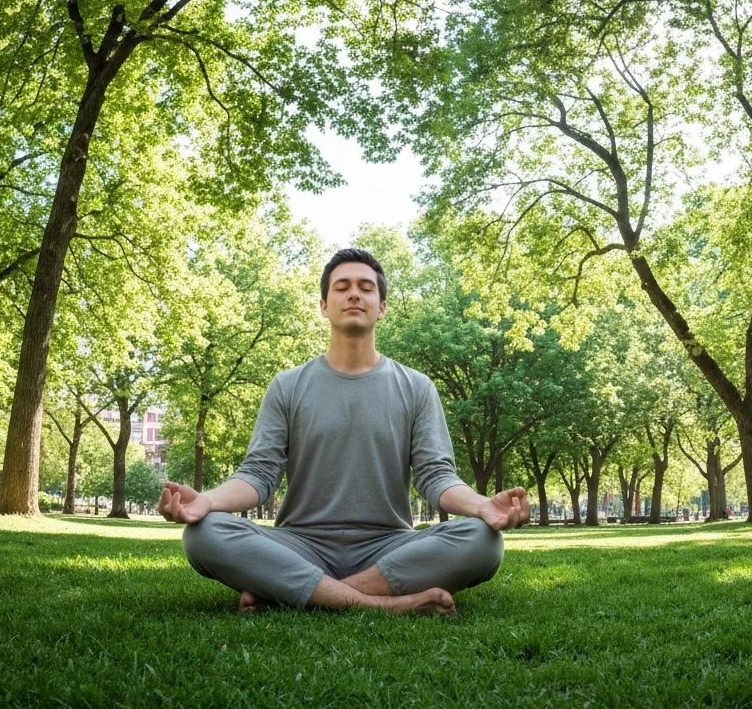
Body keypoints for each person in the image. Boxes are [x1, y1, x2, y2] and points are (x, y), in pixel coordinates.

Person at [159, 249, 528, 616]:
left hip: (389, 547)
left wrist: (481, 505)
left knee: (483, 540)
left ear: (382, 307)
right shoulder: (287, 386)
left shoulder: (417, 387)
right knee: (203, 534)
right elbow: (259, 475)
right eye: (343, 287)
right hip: (298, 544)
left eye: (366, 287)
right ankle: (386, 605)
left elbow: (436, 477)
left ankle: (291, 593)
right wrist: (207, 500)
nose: (354, 294)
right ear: (324, 305)